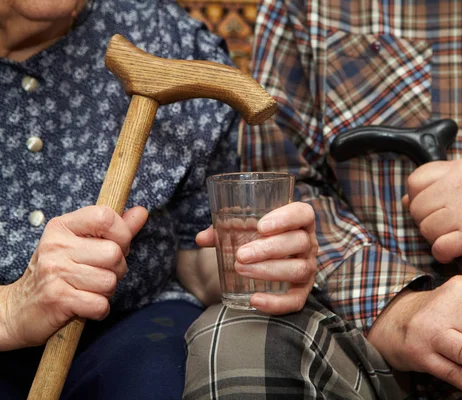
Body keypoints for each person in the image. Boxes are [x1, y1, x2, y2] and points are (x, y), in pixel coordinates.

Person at [183, 1, 462, 399]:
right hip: (376, 364)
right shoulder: (304, 6)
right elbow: (282, 187)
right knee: (235, 341)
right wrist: (394, 309)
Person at [0, 0, 317, 399]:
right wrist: (11, 311)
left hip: (133, 324)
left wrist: (259, 262)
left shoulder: (170, 40)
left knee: (158, 380)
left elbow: (195, 258)